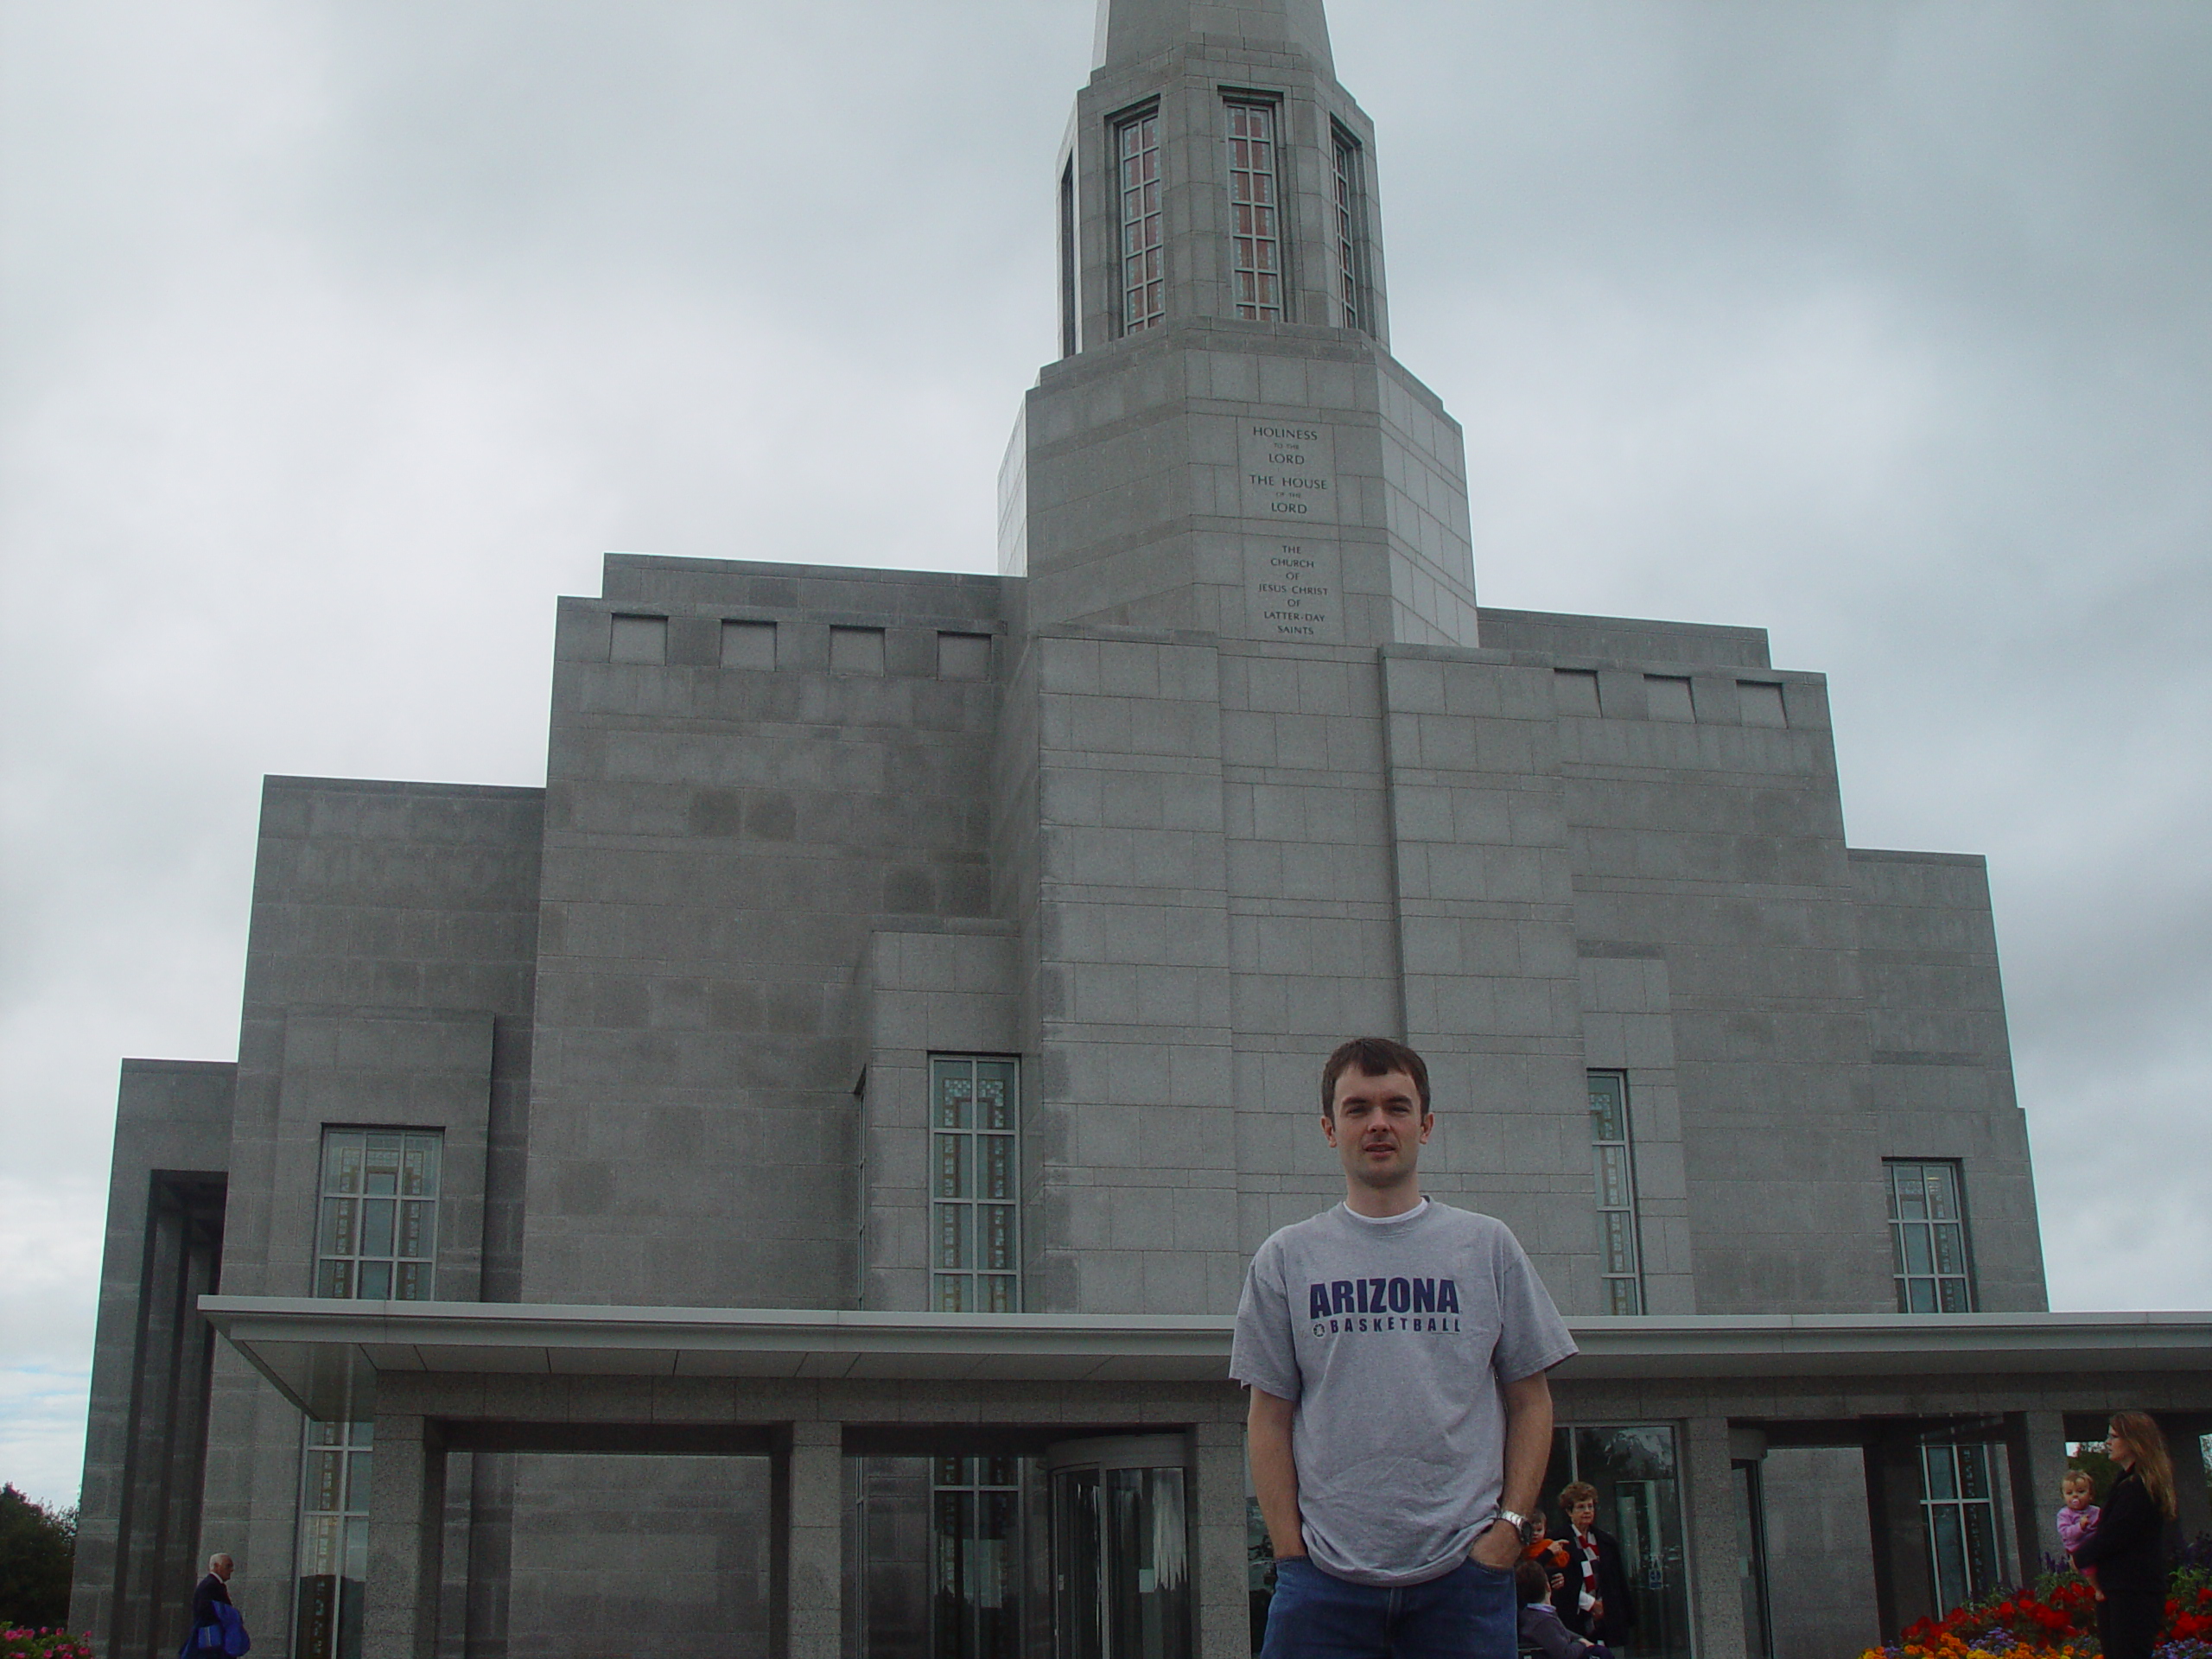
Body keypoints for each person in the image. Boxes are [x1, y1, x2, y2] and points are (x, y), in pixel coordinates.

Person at [1232, 1037, 1579, 1659]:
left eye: (1396, 1106)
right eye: (1357, 1108)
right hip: (1322, 1588)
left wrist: (1509, 1533)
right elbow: (1269, 1417)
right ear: (1329, 1129)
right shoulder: (1285, 1259)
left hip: (1464, 1583)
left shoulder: (1488, 1247)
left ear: (1426, 1124)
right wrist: (1290, 1552)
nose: (1378, 1124)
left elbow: (1531, 1402)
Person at [2070, 1412, 2180, 1659]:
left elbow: (2117, 1534)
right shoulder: (2128, 1482)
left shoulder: (2139, 1487)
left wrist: (2080, 1556)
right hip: (2121, 1587)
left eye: (2114, 1437)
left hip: (2132, 1589)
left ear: (2134, 1442)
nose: (2108, 1442)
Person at [1555, 1482, 1637, 1650]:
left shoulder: (1606, 1542)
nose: (1587, 1511)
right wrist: (1590, 1604)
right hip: (1573, 1618)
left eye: (1590, 1506)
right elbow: (1559, 1583)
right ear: (1569, 1512)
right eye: (1581, 1507)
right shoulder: (1558, 1541)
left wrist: (1624, 1615)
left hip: (1606, 1620)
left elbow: (1618, 1582)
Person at [1516, 1560, 1610, 1659]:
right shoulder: (1543, 1621)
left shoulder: (1532, 1614)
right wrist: (1583, 1644)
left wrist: (1582, 1640)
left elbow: (1566, 1633)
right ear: (1548, 1586)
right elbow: (1566, 1654)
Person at [2056, 1469, 2104, 1600]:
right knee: (2089, 1567)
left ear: (2091, 1495)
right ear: (2064, 1497)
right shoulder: (2064, 1514)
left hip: (2095, 1543)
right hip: (2077, 1546)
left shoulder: (2096, 1511)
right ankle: (2097, 1589)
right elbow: (2065, 1533)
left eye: (2081, 1492)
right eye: (2070, 1493)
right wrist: (2080, 1527)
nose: (2075, 1497)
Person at [188, 1554, 234, 1652]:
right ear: (216, 1566)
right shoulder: (211, 1585)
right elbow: (205, 1613)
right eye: (228, 1566)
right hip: (212, 1642)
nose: (231, 1570)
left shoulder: (211, 1584)